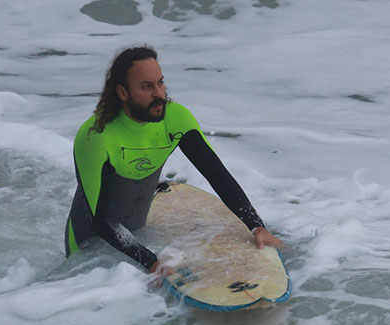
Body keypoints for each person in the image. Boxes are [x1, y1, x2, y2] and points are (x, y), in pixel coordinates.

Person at [64, 45, 282, 276]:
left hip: (138, 238)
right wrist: (151, 261)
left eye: (160, 82)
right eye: (146, 87)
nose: (159, 93)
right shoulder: (95, 137)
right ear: (123, 93)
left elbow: (217, 175)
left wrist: (256, 225)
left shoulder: (176, 119)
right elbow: (99, 219)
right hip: (89, 255)